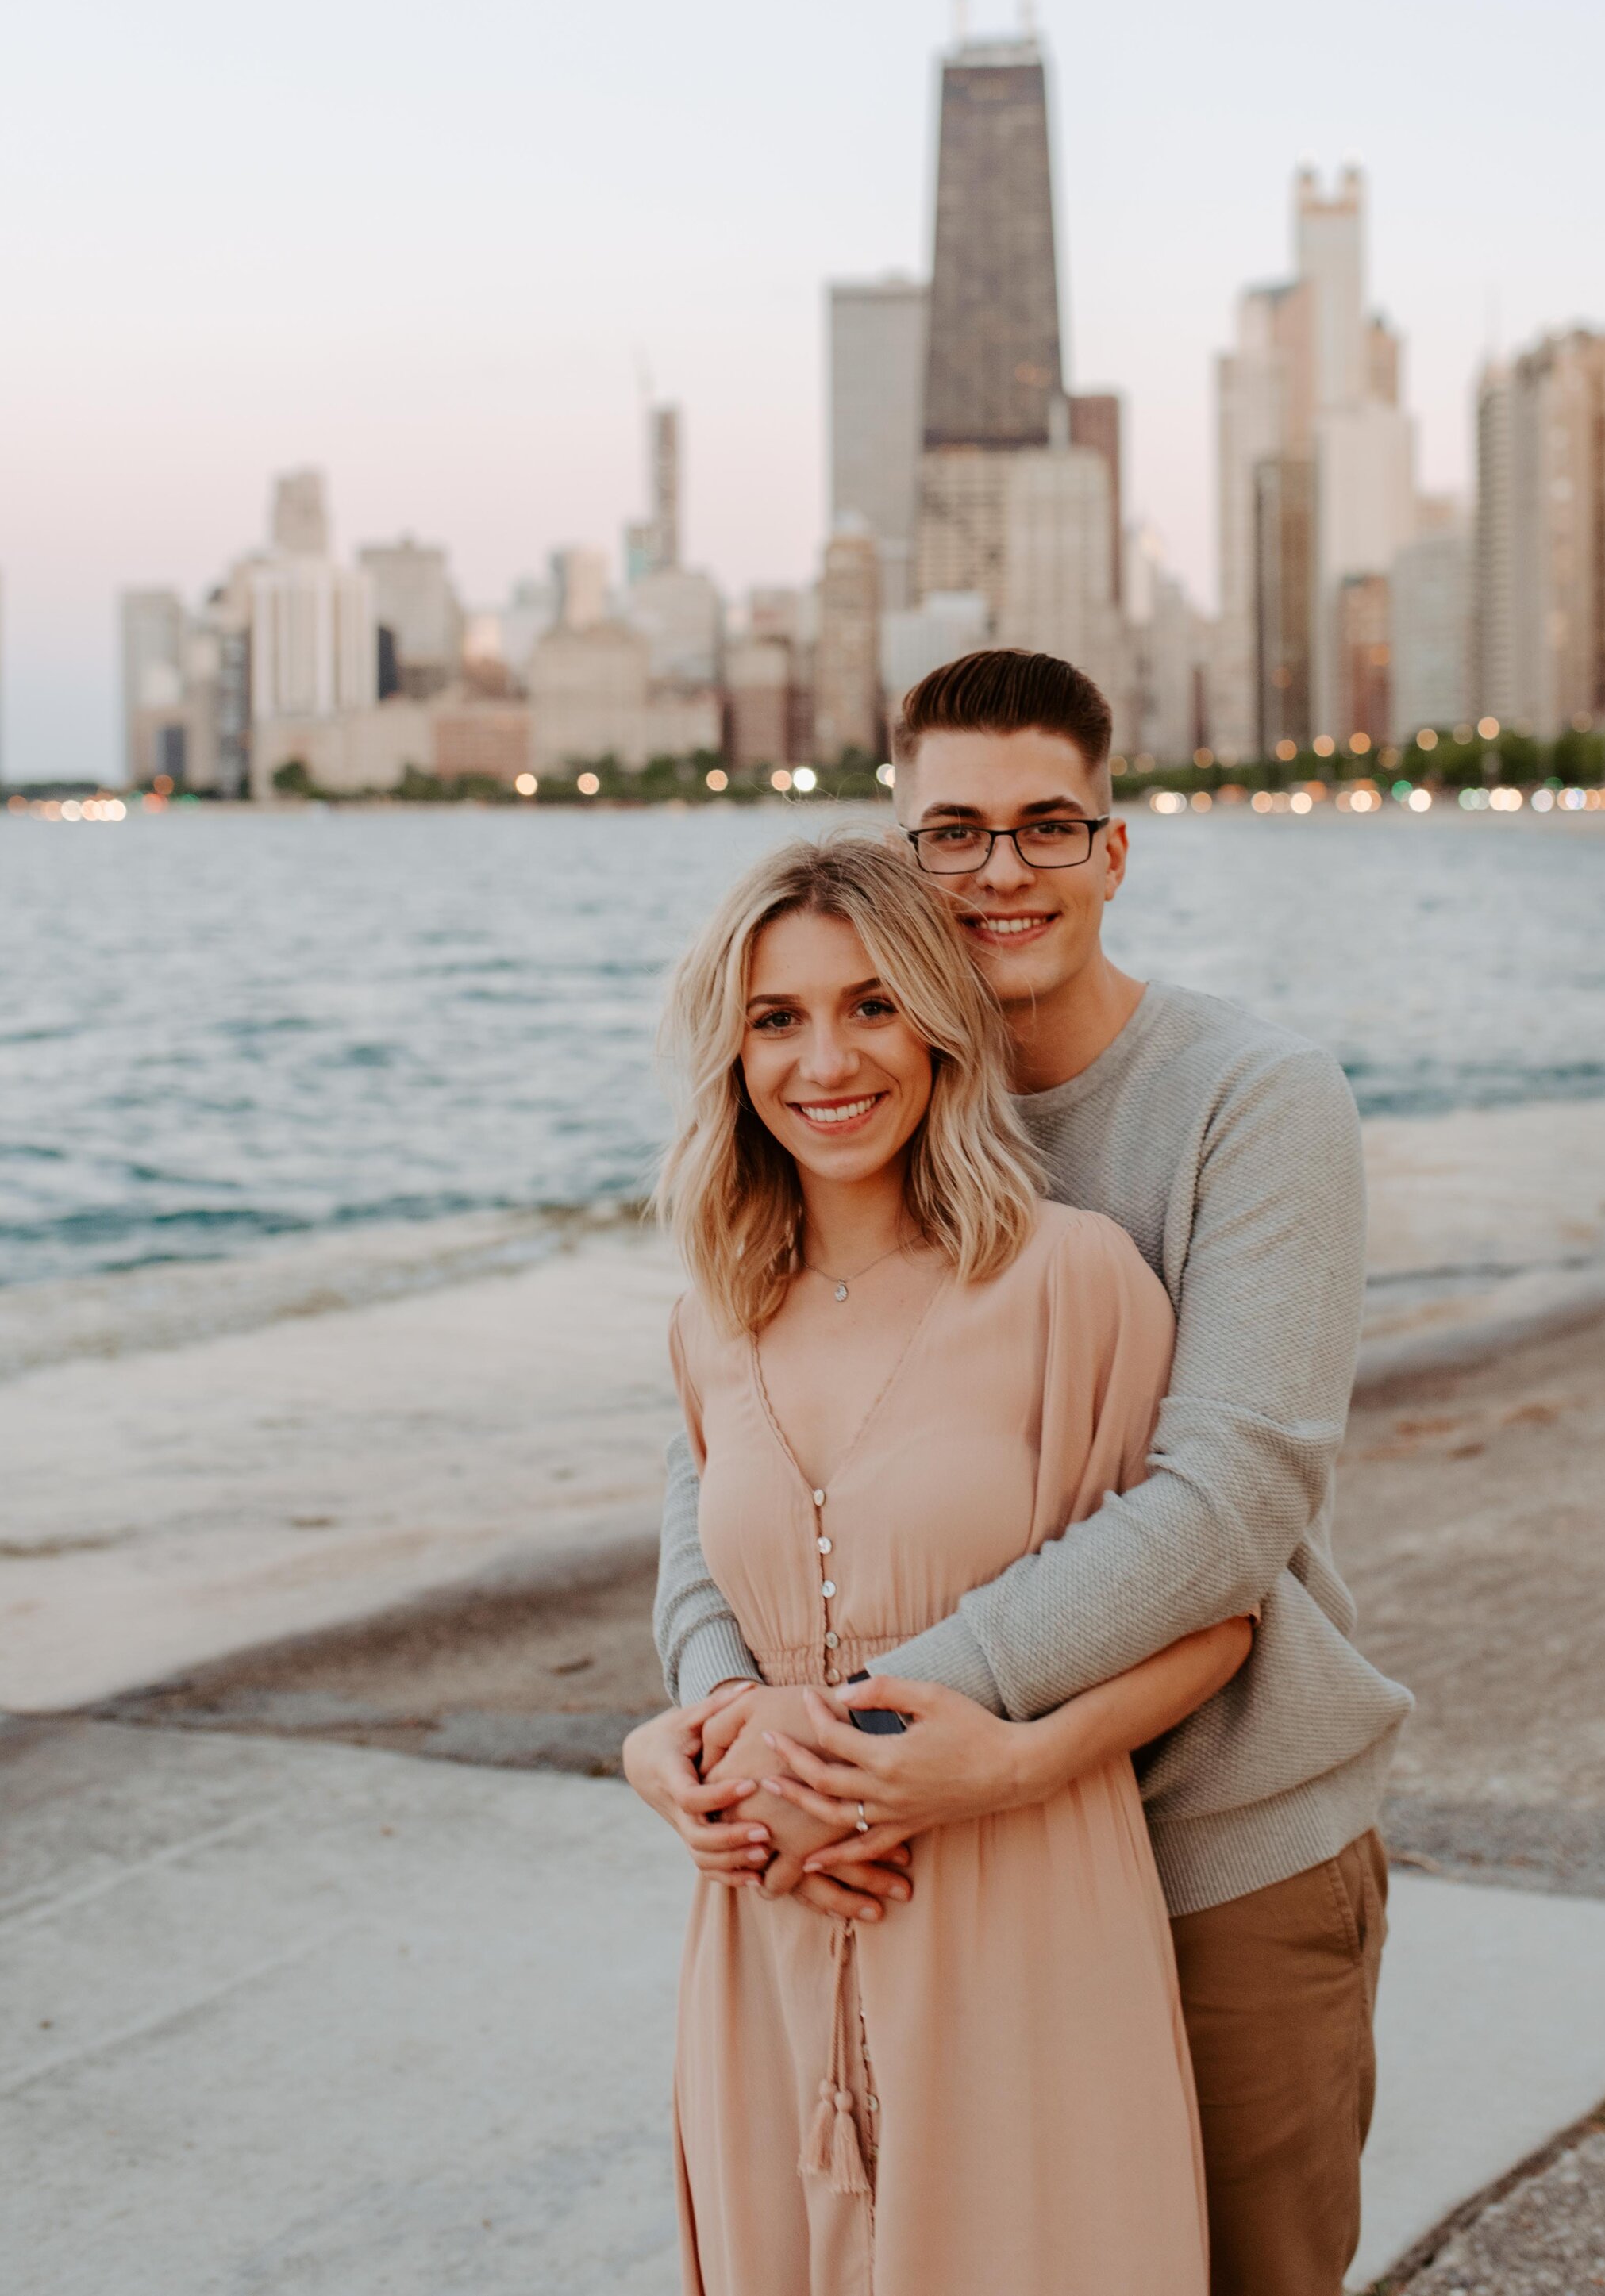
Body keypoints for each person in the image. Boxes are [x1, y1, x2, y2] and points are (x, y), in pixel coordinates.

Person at [634, 648, 1413, 2296]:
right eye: (953, 833)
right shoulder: (848, 1126)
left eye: (1045, 826)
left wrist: (847, 1729)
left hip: (1213, 1841)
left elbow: (1221, 1514)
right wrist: (726, 1717)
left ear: (1110, 849)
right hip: (898, 1856)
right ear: (896, 856)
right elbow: (731, 1477)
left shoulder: (1243, 1104)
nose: (998, 871)